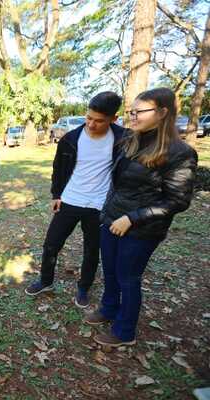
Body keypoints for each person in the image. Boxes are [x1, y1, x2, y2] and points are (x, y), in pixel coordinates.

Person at [84, 88, 197, 347]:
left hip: (141, 228)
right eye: (130, 111)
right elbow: (119, 183)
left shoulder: (180, 152)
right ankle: (108, 308)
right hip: (112, 219)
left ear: (162, 113)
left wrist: (132, 218)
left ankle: (125, 332)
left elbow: (177, 201)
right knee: (110, 272)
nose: (132, 116)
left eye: (139, 111)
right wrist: (107, 213)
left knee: (128, 277)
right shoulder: (130, 141)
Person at [25, 92, 125, 308]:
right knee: (51, 244)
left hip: (99, 205)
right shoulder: (70, 139)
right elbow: (58, 169)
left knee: (91, 249)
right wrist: (56, 195)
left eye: (99, 121)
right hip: (70, 200)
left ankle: (83, 287)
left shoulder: (123, 139)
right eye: (88, 117)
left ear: (113, 119)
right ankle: (45, 280)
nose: (91, 124)